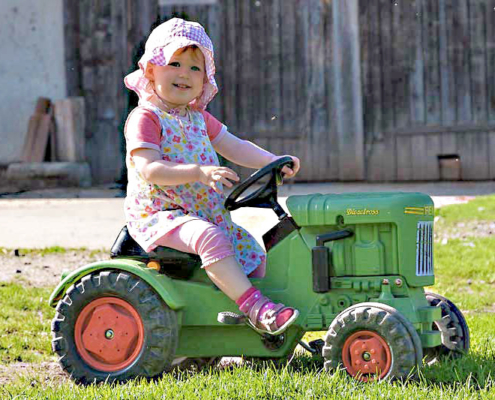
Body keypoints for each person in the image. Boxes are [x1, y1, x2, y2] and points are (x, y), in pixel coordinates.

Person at [123, 18, 300, 335]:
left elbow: (235, 146)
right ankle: (255, 308)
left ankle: (264, 326)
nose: (184, 74)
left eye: (195, 68)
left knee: (254, 251)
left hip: (203, 214)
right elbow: (149, 168)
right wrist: (198, 172)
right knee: (210, 238)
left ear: (205, 76)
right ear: (151, 69)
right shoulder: (146, 117)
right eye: (174, 63)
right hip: (160, 215)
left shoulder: (197, 118)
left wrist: (273, 161)